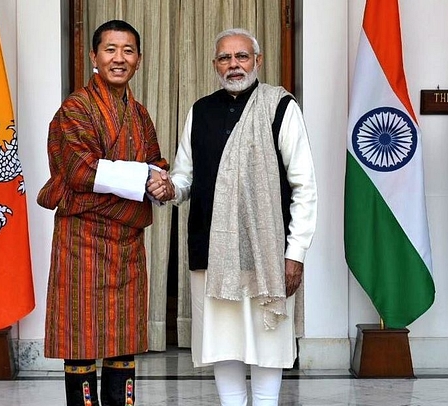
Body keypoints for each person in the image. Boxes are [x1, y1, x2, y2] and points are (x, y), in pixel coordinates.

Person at [148, 28, 317, 405]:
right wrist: (169, 188)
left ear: (257, 61)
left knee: (266, 339)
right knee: (222, 340)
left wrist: (296, 252)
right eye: (225, 58)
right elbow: (184, 175)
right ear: (214, 65)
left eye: (242, 56)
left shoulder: (280, 107)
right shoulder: (200, 110)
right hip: (212, 247)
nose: (234, 64)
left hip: (267, 251)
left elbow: (304, 186)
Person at [37, 20, 169, 406]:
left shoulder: (139, 113)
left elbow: (154, 162)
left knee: (123, 338)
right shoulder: (75, 109)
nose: (119, 58)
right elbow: (80, 171)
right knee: (79, 337)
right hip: (82, 241)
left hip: (127, 244)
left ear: (139, 60)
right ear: (94, 56)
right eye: (110, 49)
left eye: (128, 51)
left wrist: (162, 183)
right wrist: (144, 180)